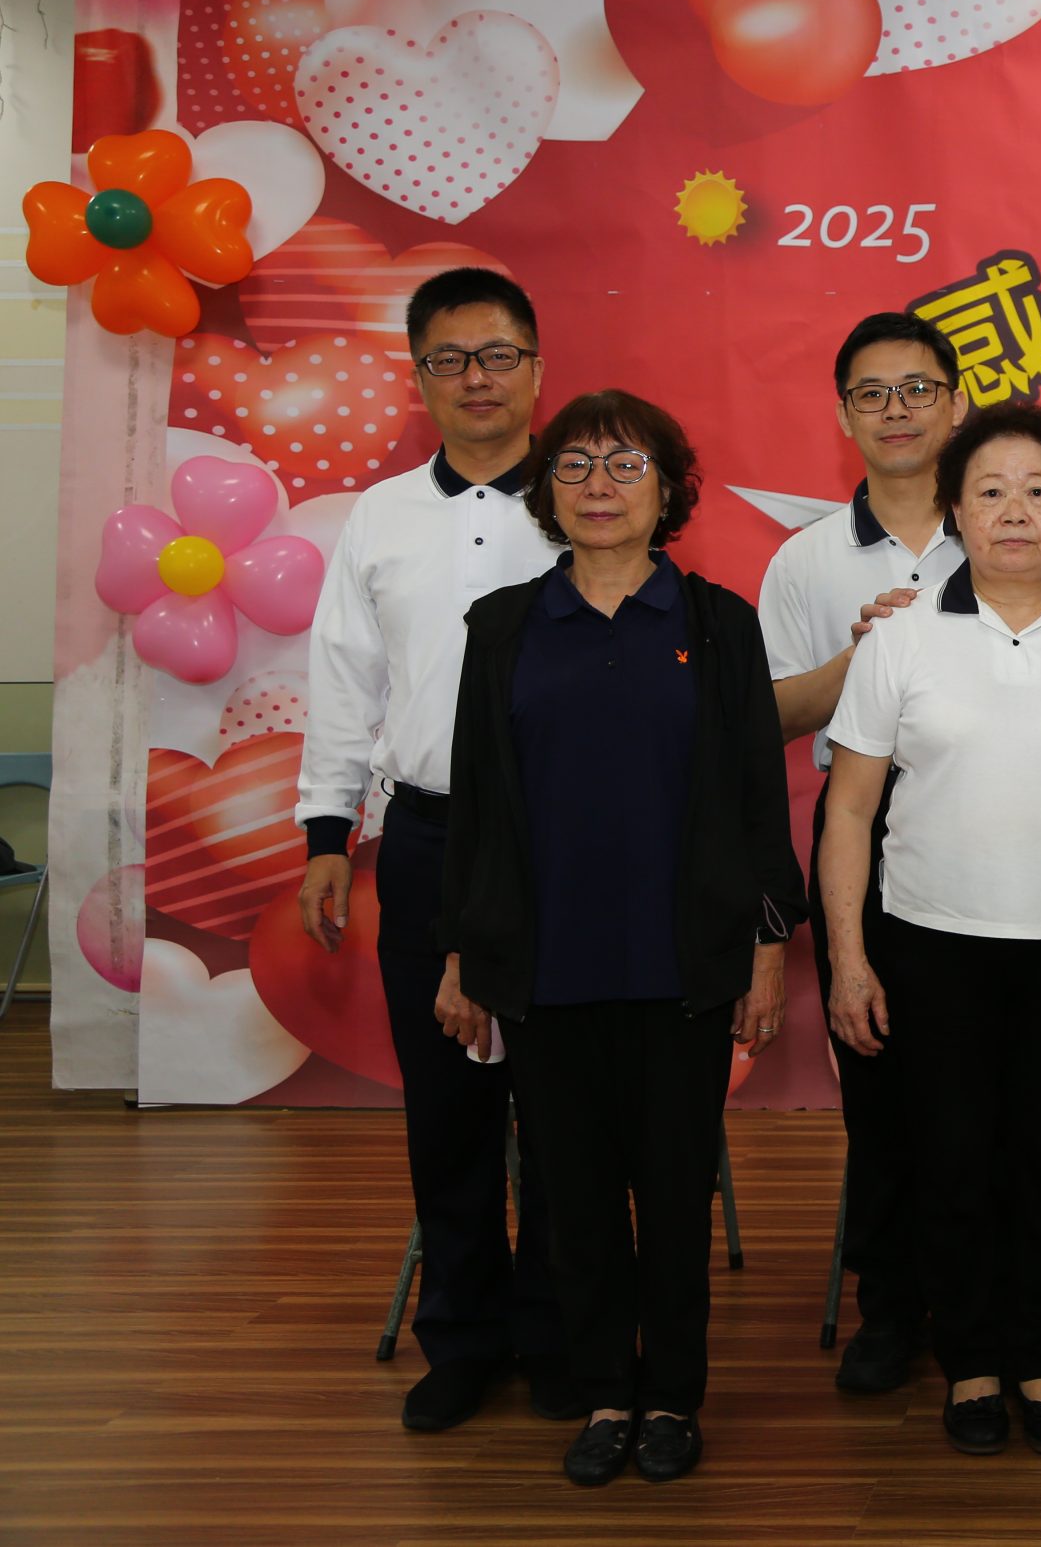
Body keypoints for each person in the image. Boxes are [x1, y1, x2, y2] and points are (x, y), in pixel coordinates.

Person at [435, 391, 804, 1487]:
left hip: (681, 962)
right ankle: (604, 1392)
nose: (599, 486)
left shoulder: (716, 623)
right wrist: (463, 953)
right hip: (547, 965)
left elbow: (757, 797)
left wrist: (767, 946)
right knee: (574, 1198)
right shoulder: (503, 627)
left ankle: (673, 1397)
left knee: (676, 1194)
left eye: (626, 465)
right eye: (576, 466)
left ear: (668, 489)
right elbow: (477, 805)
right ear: (546, 491)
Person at [819, 402, 1041, 1457]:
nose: (1015, 510)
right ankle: (970, 1360)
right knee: (951, 1156)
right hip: (930, 939)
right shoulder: (902, 638)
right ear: (956, 512)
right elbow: (849, 810)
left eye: (1038, 491)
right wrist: (848, 956)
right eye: (990, 491)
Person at [292, 268, 567, 1431]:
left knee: (558, 1100)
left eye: (498, 355)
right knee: (448, 1105)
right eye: (450, 360)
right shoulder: (382, 515)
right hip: (428, 836)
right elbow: (344, 678)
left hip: (563, 839)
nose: (477, 380)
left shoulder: (589, 495)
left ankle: (557, 1330)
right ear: (418, 378)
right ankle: (462, 1336)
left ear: (536, 366)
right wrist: (327, 832)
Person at [759, 311, 968, 1395]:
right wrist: (863, 660)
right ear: (844, 415)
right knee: (881, 1084)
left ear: (956, 402)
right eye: (872, 393)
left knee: (980, 1088)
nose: (897, 410)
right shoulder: (806, 559)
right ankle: (891, 1306)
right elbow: (769, 716)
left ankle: (985, 1307)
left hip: (992, 826)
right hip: (865, 828)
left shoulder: (1008, 523)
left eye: (918, 388)